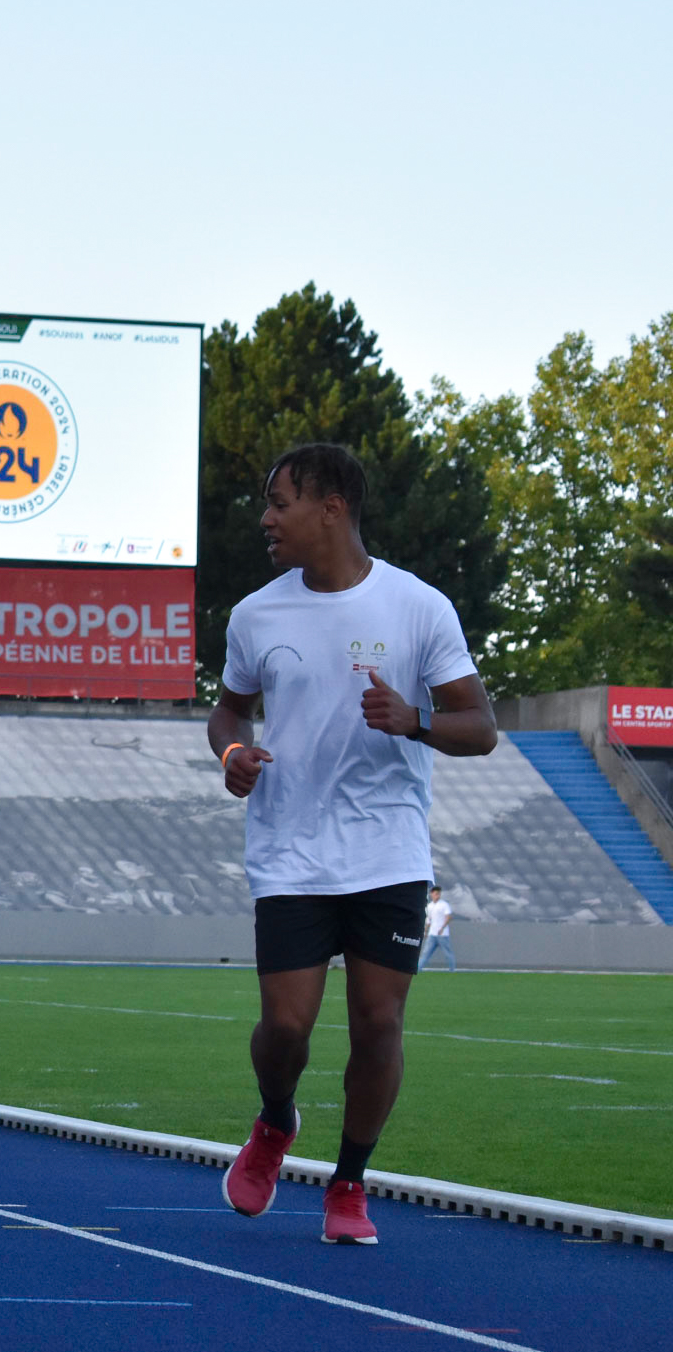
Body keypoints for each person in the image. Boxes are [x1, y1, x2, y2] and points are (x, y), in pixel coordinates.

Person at [211, 444, 497, 1247]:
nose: (266, 518)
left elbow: (482, 728)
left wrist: (418, 721)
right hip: (291, 852)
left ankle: (349, 1181)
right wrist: (232, 754)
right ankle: (274, 1123)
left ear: (331, 506)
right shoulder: (255, 614)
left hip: (387, 854)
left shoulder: (419, 607)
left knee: (378, 1023)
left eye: (280, 501)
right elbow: (227, 713)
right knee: (287, 1030)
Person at [422, 884, 457, 971]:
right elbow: (429, 920)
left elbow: (448, 917)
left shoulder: (444, 905)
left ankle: (452, 970)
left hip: (442, 934)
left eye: (439, 893)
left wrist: (442, 928)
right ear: (431, 894)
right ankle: (418, 970)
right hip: (432, 934)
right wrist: (426, 931)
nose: (438, 895)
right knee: (425, 953)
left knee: (448, 953)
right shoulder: (429, 906)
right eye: (436, 893)